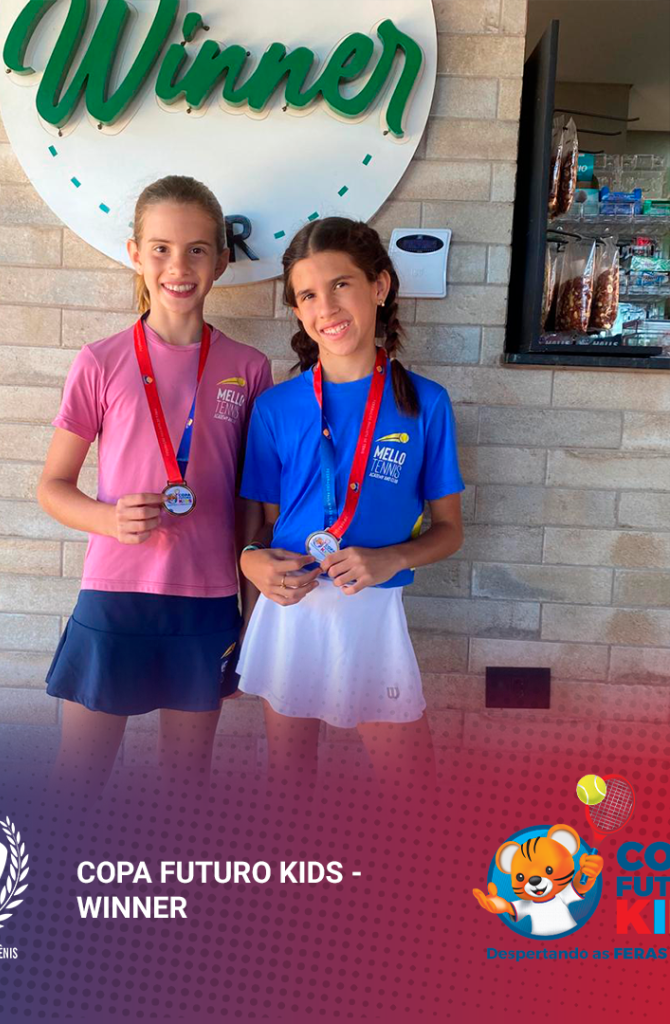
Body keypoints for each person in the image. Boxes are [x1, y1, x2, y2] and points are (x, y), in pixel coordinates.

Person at [37, 176, 271, 799]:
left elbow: (252, 508)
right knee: (78, 783)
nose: (179, 266)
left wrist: (252, 612)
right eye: (162, 248)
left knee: (185, 789)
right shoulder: (101, 361)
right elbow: (53, 487)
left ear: (222, 261)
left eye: (197, 250)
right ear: (135, 253)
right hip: (115, 596)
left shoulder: (249, 368)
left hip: (207, 602)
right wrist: (108, 519)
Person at [236, 217, 464, 797]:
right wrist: (249, 561)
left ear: (379, 286)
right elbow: (257, 524)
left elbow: (449, 530)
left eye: (341, 284)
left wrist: (391, 559)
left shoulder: (427, 404)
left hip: (373, 614)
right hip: (291, 611)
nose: (327, 307)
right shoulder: (275, 408)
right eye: (308, 295)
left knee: (414, 792)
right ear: (297, 311)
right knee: (290, 790)